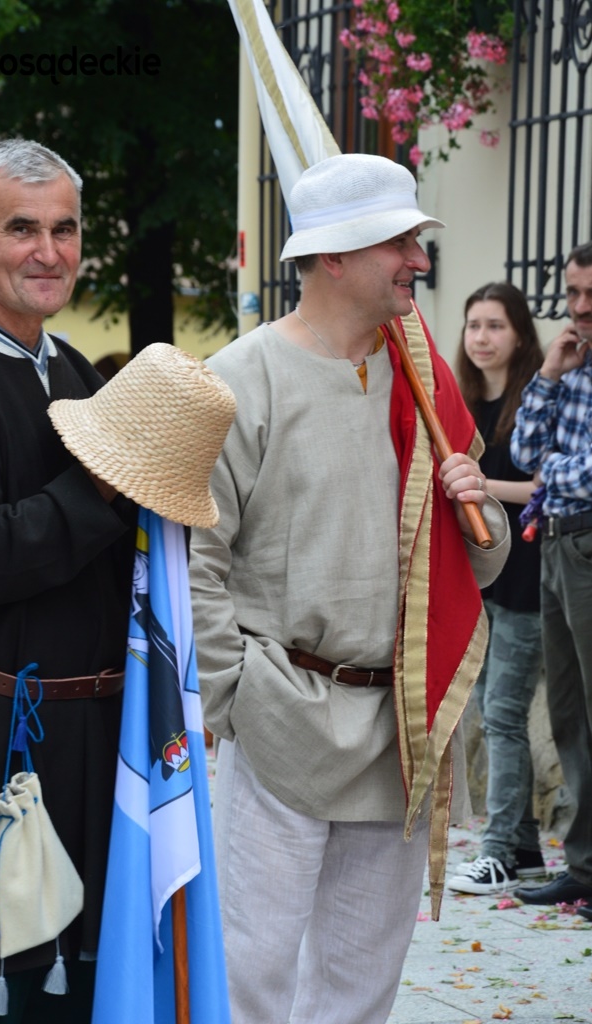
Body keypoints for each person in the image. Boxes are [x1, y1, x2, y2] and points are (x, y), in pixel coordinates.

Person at [188, 153, 510, 1024]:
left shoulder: (424, 383)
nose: (418, 260)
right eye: (399, 242)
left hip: (398, 728)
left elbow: (477, 565)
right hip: (280, 714)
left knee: (361, 988)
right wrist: (235, 697)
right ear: (333, 255)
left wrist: (478, 508)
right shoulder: (240, 377)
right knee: (248, 975)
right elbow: (197, 560)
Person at [0, 140, 138, 1023]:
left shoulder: (70, 368)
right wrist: (103, 488)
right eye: (21, 229)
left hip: (83, 745)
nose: (49, 251)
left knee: (72, 996)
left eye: (64, 229)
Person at [445, 282, 545, 897]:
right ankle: (525, 846)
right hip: (480, 580)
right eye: (474, 325)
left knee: (504, 715)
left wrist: (479, 485)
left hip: (530, 580)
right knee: (487, 711)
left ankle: (499, 852)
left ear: (520, 334)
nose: (481, 338)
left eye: (495, 326)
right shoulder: (461, 402)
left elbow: (544, 485)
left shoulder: (536, 398)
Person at [511, 241, 592, 908]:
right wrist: (546, 373)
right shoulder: (571, 362)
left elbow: (573, 472)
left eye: (591, 295)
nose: (580, 307)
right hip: (558, 542)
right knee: (567, 713)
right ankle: (585, 868)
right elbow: (522, 452)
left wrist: (551, 472)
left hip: (586, 539)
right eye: (572, 293)